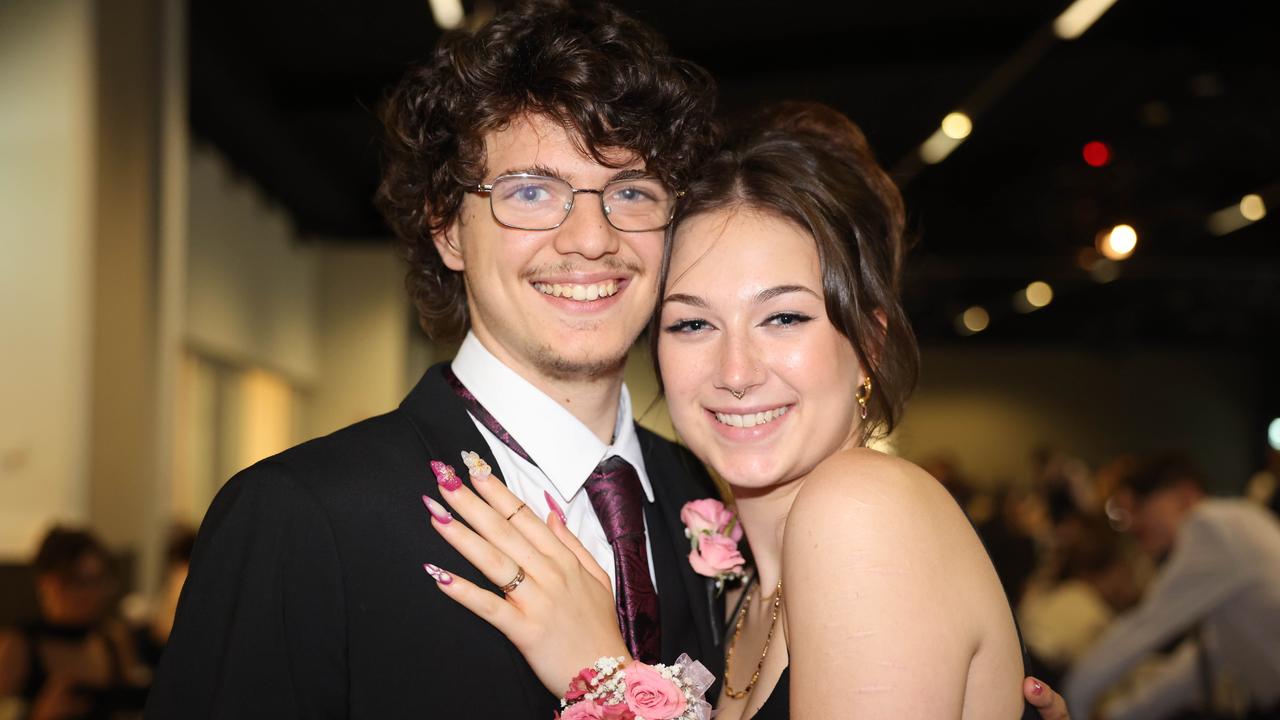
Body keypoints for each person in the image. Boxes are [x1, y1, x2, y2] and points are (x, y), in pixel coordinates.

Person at [145, 2, 724, 718]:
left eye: (630, 191)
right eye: (532, 192)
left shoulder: (714, 497)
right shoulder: (304, 516)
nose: (590, 239)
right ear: (447, 226)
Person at [422, 102, 1056, 718]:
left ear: (870, 343)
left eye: (783, 318)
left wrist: (604, 672)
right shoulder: (737, 594)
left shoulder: (864, 508)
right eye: (693, 323)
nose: (736, 373)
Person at [1064, 452, 1280, 719]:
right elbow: (1202, 659)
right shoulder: (1236, 524)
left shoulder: (1210, 526)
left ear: (1184, 494)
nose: (1132, 524)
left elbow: (1144, 626)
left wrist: (1072, 699)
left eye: (1139, 506)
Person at [0, 527, 147, 720]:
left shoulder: (112, 637)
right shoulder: (19, 644)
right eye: (76, 581)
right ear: (46, 583)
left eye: (97, 581)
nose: (89, 594)